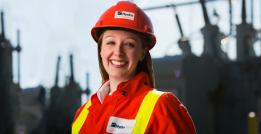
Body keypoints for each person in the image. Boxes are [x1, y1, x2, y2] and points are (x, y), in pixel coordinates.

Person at [71, 1, 196, 134]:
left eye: (129, 44)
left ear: (142, 52)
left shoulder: (162, 107)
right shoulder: (83, 112)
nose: (118, 52)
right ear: (100, 50)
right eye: (111, 42)